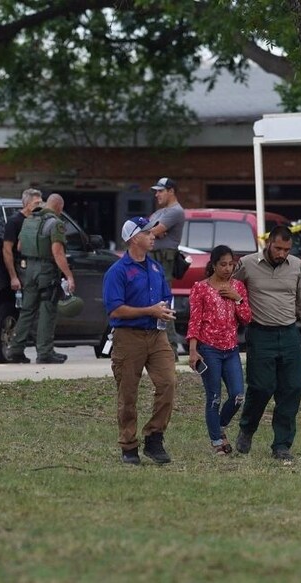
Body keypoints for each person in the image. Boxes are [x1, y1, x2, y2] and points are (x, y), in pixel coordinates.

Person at [232, 225, 301, 462]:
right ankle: (247, 429)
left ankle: (281, 444)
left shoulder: (296, 266)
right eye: (278, 248)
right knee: (261, 387)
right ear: (269, 243)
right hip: (260, 333)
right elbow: (229, 289)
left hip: (289, 333)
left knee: (291, 389)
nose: (282, 254)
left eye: (286, 250)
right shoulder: (248, 264)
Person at [102, 216, 176, 465]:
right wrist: (149, 310)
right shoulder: (117, 272)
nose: (152, 235)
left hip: (157, 335)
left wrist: (165, 310)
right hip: (128, 338)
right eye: (147, 232)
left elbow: (166, 295)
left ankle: (154, 438)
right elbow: (115, 310)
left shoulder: (155, 268)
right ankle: (128, 445)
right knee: (128, 394)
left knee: (168, 383)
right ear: (134, 238)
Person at [186, 245, 251, 455]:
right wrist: (193, 350)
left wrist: (236, 298)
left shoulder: (238, 287)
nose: (227, 268)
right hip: (209, 349)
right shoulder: (201, 288)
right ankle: (216, 442)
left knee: (238, 395)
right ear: (213, 265)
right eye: (223, 264)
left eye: (231, 264)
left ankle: (220, 427)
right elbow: (194, 321)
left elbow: (247, 318)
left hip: (231, 349)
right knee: (213, 397)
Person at [6, 193, 75, 365]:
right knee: (47, 310)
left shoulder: (29, 220)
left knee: (27, 310)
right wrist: (69, 276)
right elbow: (57, 253)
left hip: (28, 269)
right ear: (59, 207)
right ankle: (45, 352)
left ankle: (15, 350)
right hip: (46, 271)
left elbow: (20, 246)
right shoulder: (56, 224)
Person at [147, 177, 186, 350]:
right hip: (152, 257)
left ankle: (170, 346)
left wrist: (154, 230)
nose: (157, 195)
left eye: (160, 191)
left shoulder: (175, 211)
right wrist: (152, 230)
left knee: (162, 301)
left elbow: (151, 230)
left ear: (171, 191)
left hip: (163, 259)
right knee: (150, 300)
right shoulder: (159, 212)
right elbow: (145, 228)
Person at [2, 188, 43, 295]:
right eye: (36, 203)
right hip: (23, 266)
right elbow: (7, 250)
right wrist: (13, 277)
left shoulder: (40, 219)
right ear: (27, 204)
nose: (40, 205)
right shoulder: (14, 222)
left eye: (41, 202)